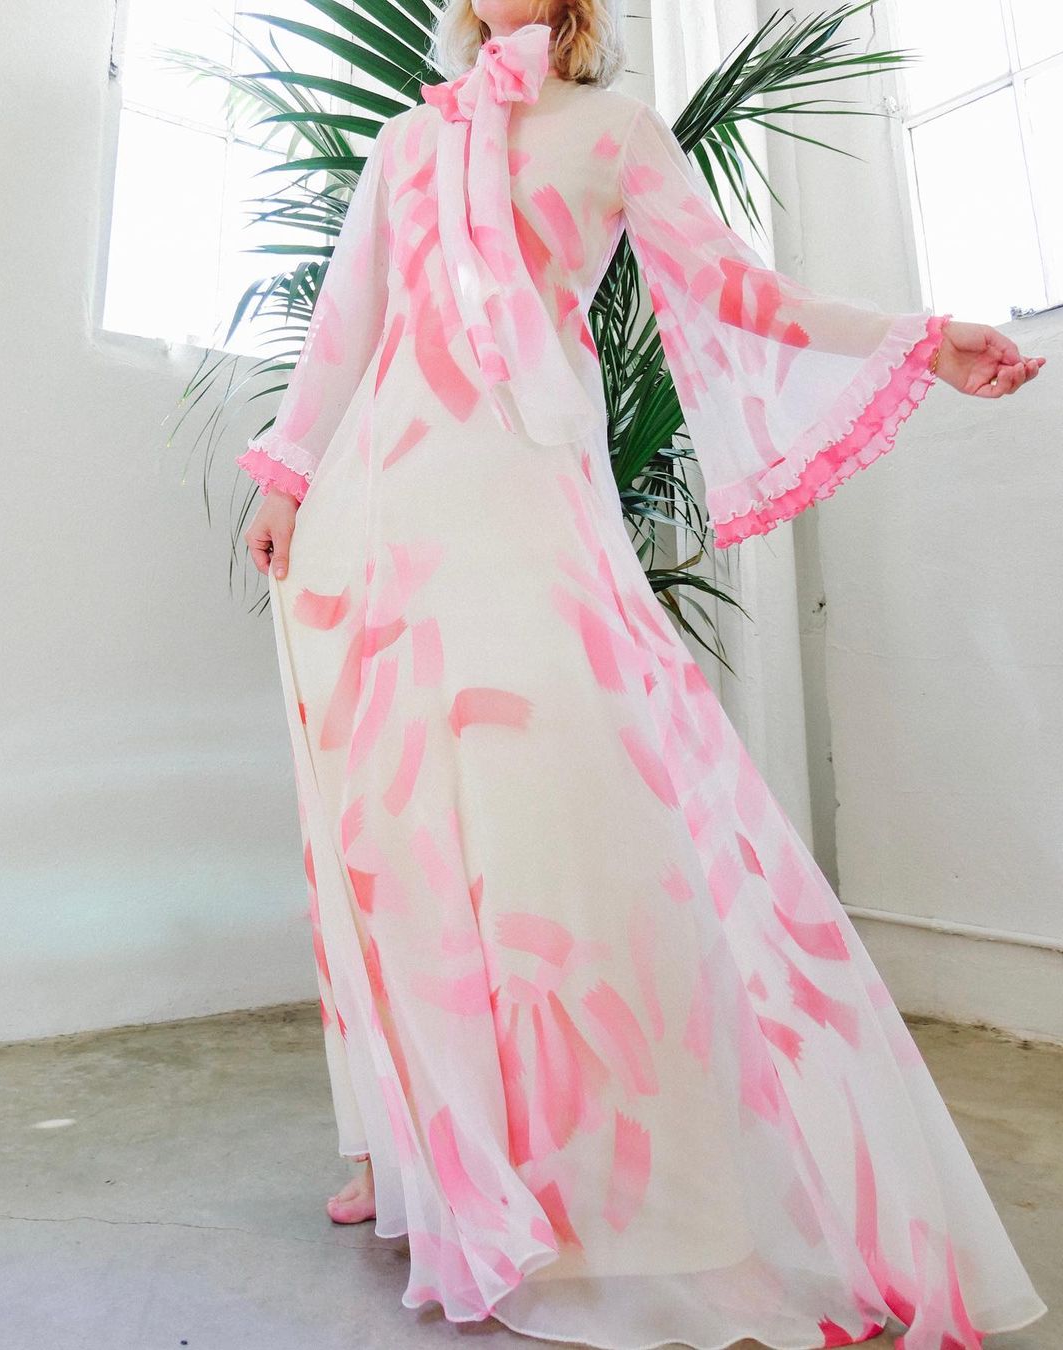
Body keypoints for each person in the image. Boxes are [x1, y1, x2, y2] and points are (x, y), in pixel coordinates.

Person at [237, 2, 1048, 1346]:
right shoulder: (405, 142)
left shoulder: (614, 131)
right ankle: (408, 1148)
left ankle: (576, 1172)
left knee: (555, 818)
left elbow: (740, 292)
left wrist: (918, 335)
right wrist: (284, 476)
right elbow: (346, 326)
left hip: (525, 502)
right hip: (379, 511)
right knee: (388, 831)